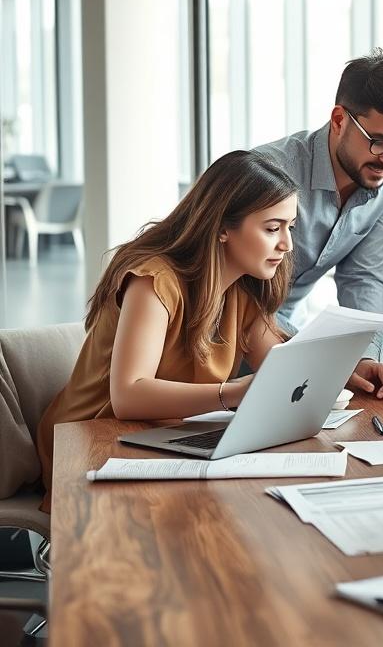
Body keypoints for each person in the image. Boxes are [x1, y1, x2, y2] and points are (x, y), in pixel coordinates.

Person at [36, 151, 298, 511]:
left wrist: (350, 371)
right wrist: (233, 392)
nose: (287, 244)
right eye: (272, 228)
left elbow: (282, 368)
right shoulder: (155, 279)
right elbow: (129, 395)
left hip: (164, 439)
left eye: (290, 227)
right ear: (222, 227)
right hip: (94, 442)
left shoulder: (246, 288)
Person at [256, 49, 383, 399]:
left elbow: (363, 276)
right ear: (339, 120)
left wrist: (366, 359)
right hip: (223, 336)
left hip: (287, 334)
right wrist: (333, 360)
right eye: (380, 142)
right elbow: (237, 299)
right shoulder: (269, 172)